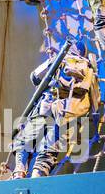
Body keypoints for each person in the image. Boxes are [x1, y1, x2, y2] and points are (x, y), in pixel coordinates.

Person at [12, 41, 100, 179]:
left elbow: (35, 77)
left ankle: (19, 171)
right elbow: (95, 102)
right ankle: (37, 174)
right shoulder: (89, 69)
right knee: (50, 148)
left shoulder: (58, 61)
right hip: (65, 114)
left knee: (25, 141)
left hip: (46, 108)